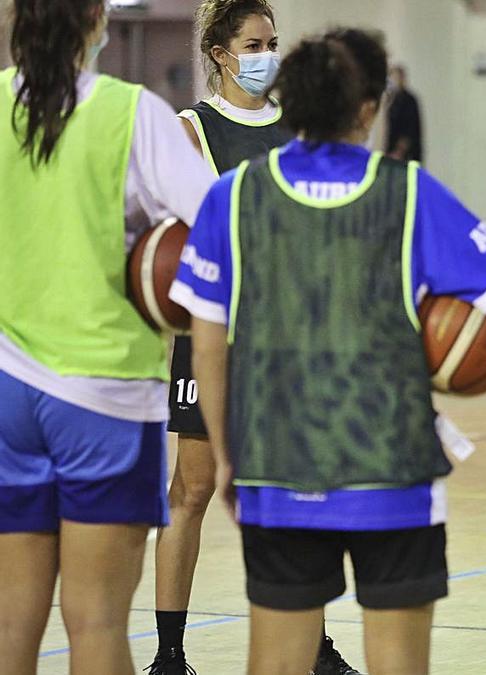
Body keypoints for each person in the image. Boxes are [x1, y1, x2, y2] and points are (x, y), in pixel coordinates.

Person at [170, 27, 486, 675]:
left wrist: (224, 453)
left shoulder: (234, 197)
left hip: (279, 467)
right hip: (392, 469)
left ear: (290, 102)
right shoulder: (408, 192)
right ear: (367, 109)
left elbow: (208, 343)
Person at [0, 1, 215, 673]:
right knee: (95, 622)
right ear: (97, 19)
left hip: (8, 389)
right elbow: (219, 226)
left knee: (12, 621)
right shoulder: (132, 112)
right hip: (106, 395)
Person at [152, 2, 364, 673]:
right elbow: (192, 227)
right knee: (192, 490)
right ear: (218, 51)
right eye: (252, 42)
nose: (265, 53)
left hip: (291, 334)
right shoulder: (194, 127)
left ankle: (317, 647)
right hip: (216, 329)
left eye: (272, 41)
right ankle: (170, 653)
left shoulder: (300, 125)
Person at [385, 63, 422, 162]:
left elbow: (410, 128)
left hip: (404, 155)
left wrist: (399, 151)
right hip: (387, 150)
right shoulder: (388, 100)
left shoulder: (409, 100)